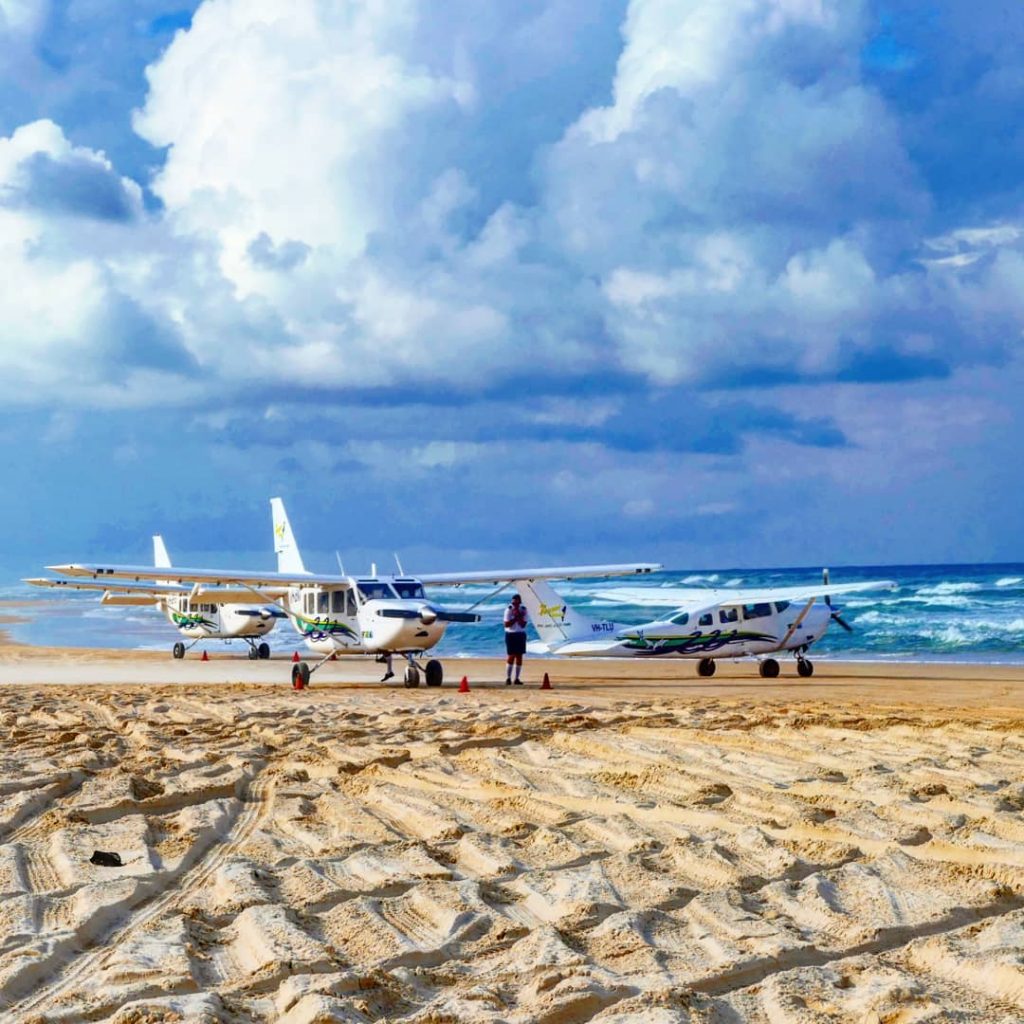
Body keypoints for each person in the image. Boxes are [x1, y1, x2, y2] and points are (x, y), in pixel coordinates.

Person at [503, 593, 528, 685]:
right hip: (511, 634)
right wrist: (516, 617)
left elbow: (523, 624)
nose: (515, 605)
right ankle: (508, 677)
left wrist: (519, 616)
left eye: (517, 603)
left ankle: (517, 678)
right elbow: (506, 624)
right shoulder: (508, 610)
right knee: (511, 655)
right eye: (514, 603)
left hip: (520, 634)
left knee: (519, 656)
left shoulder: (523, 610)